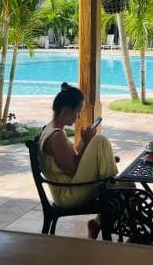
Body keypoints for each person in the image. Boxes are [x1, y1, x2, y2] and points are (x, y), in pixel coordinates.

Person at [38, 83, 118, 239]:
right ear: (66, 111)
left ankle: (97, 223)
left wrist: (82, 142)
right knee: (100, 141)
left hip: (70, 188)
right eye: (78, 112)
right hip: (68, 195)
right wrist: (87, 143)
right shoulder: (56, 136)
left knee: (127, 187)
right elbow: (74, 169)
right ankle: (112, 188)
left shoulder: (50, 129)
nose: (79, 117)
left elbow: (71, 160)